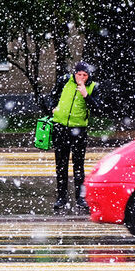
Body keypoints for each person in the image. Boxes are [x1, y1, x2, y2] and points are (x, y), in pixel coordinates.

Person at [46, 61, 100, 214]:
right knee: (61, 165)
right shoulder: (64, 81)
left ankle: (80, 197)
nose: (81, 78)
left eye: (84, 75)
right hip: (60, 128)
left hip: (79, 130)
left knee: (78, 165)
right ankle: (62, 196)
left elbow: (98, 108)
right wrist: (52, 108)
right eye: (79, 74)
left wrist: (86, 95)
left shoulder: (92, 86)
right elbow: (52, 96)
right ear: (74, 73)